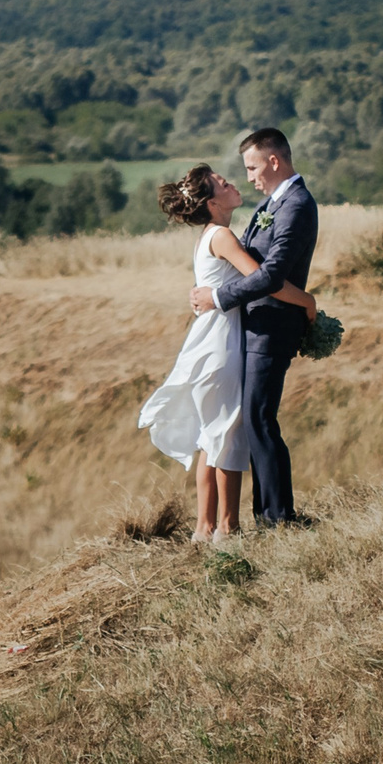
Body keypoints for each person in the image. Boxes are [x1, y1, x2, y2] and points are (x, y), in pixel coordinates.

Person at [137, 162, 317, 543]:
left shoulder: (211, 234)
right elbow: (265, 281)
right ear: (212, 201)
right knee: (225, 435)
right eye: (221, 182)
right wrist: (307, 300)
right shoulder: (221, 237)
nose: (232, 182)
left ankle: (205, 529)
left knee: (210, 437)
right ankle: (227, 528)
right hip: (221, 344)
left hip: (211, 338)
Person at [188, 128, 318, 526]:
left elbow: (273, 275)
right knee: (255, 420)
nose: (248, 177)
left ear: (274, 161)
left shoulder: (295, 204)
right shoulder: (273, 203)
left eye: (252, 166)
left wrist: (219, 297)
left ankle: (278, 517)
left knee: (260, 418)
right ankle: (268, 515)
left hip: (272, 326)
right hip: (255, 325)